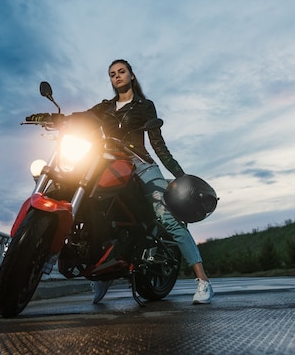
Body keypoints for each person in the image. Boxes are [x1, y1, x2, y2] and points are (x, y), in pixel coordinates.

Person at [89, 59, 213, 305]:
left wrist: (180, 175)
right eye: (112, 74)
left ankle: (203, 281)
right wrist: (51, 117)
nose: (117, 76)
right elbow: (81, 117)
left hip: (140, 164)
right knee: (95, 210)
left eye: (121, 72)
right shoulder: (104, 107)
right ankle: (102, 272)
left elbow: (157, 143)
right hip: (108, 164)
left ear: (131, 75)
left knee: (165, 217)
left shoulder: (144, 106)